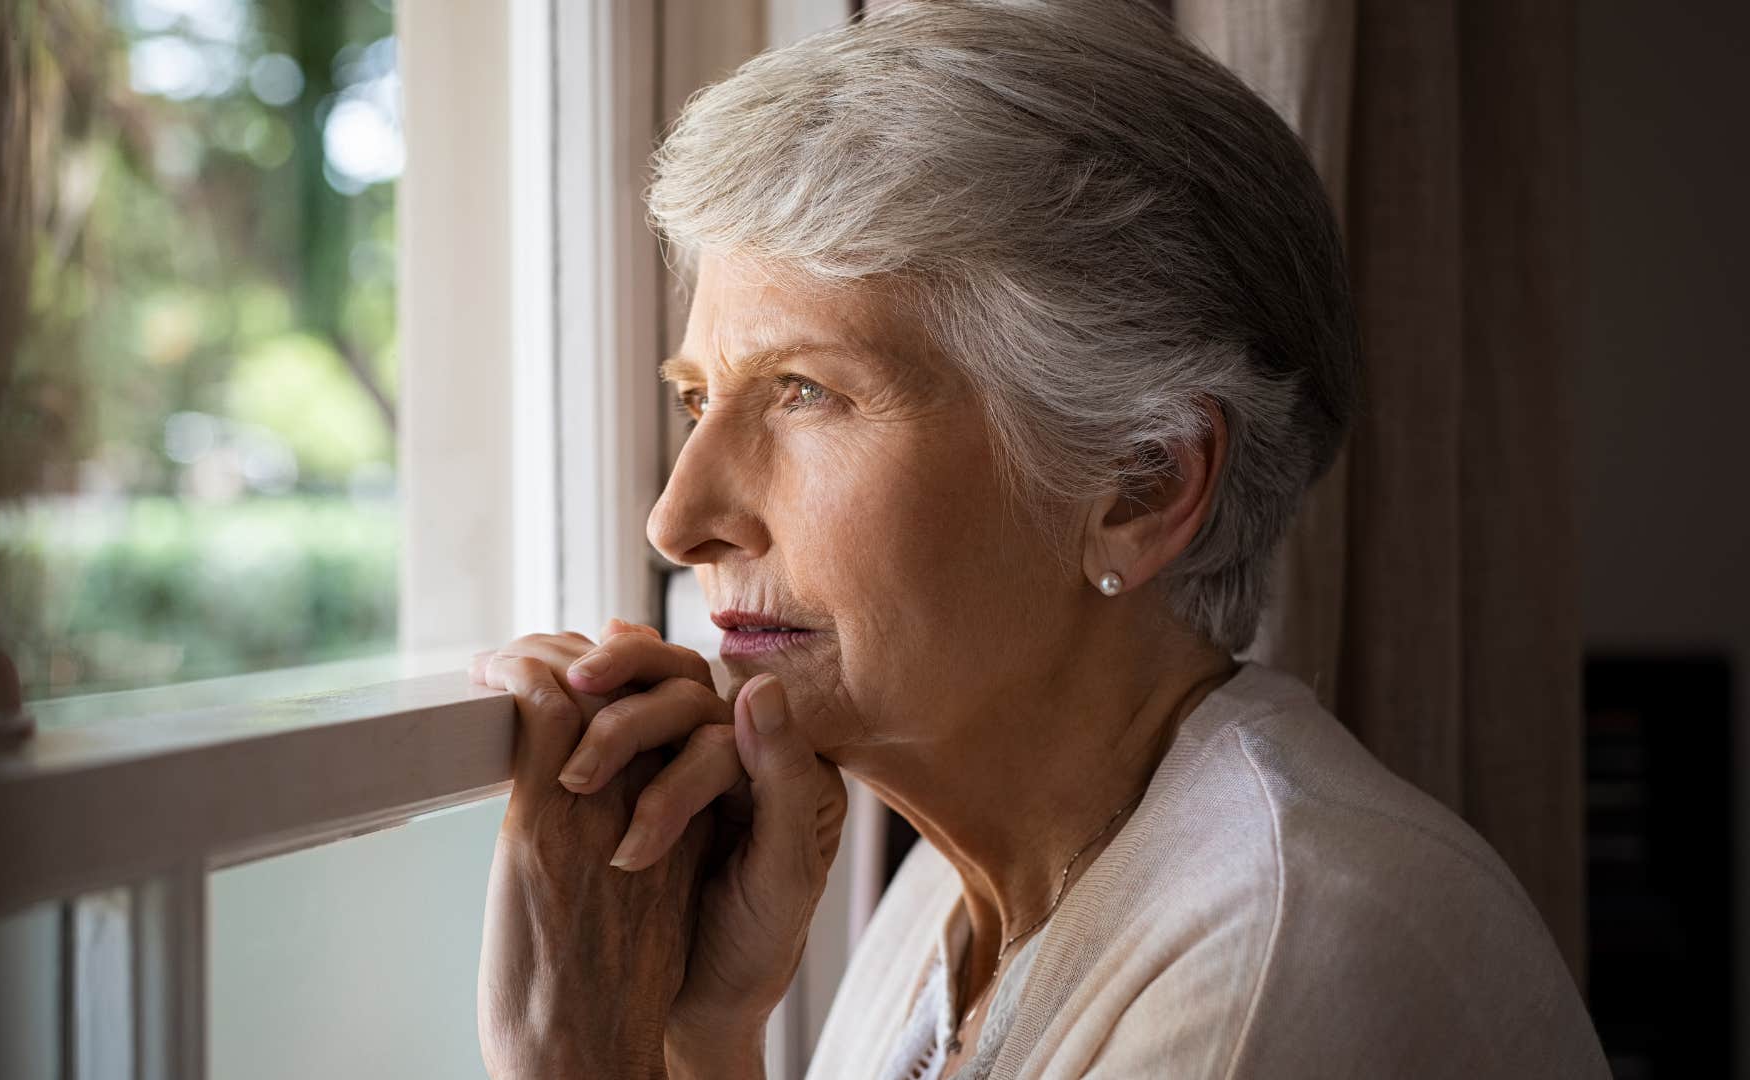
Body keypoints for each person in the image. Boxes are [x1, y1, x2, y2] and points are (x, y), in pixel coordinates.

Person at [470, 1, 1610, 1076]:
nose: (678, 520)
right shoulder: (950, 904)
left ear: (1141, 484)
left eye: (805, 393)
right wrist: (704, 1034)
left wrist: (583, 1059)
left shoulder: (1284, 955)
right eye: (695, 399)